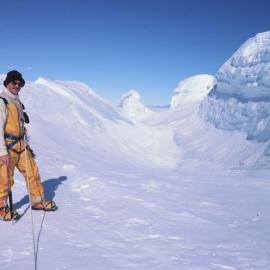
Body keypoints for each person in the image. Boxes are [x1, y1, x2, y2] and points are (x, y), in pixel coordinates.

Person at [0, 70, 57, 221]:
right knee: (5, 178)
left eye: (20, 84)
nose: (17, 86)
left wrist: (26, 144)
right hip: (7, 146)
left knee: (32, 171)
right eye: (14, 82)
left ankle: (38, 201)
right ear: (7, 83)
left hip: (20, 144)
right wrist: (2, 152)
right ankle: (0, 208)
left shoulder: (16, 101)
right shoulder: (2, 100)